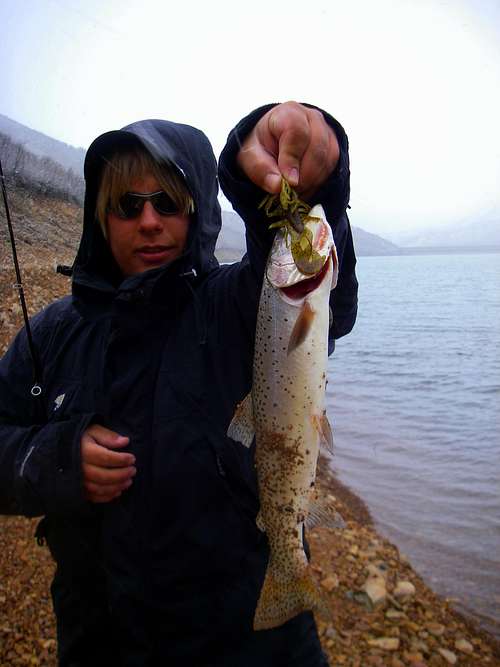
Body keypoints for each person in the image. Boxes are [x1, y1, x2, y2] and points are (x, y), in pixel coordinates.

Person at [0, 101, 358, 666]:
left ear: (199, 213)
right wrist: (54, 457)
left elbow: (300, 266)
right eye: (126, 204)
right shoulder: (51, 336)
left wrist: (301, 179)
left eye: (169, 202)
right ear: (101, 216)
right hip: (102, 643)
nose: (148, 221)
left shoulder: (239, 306)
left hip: (251, 648)